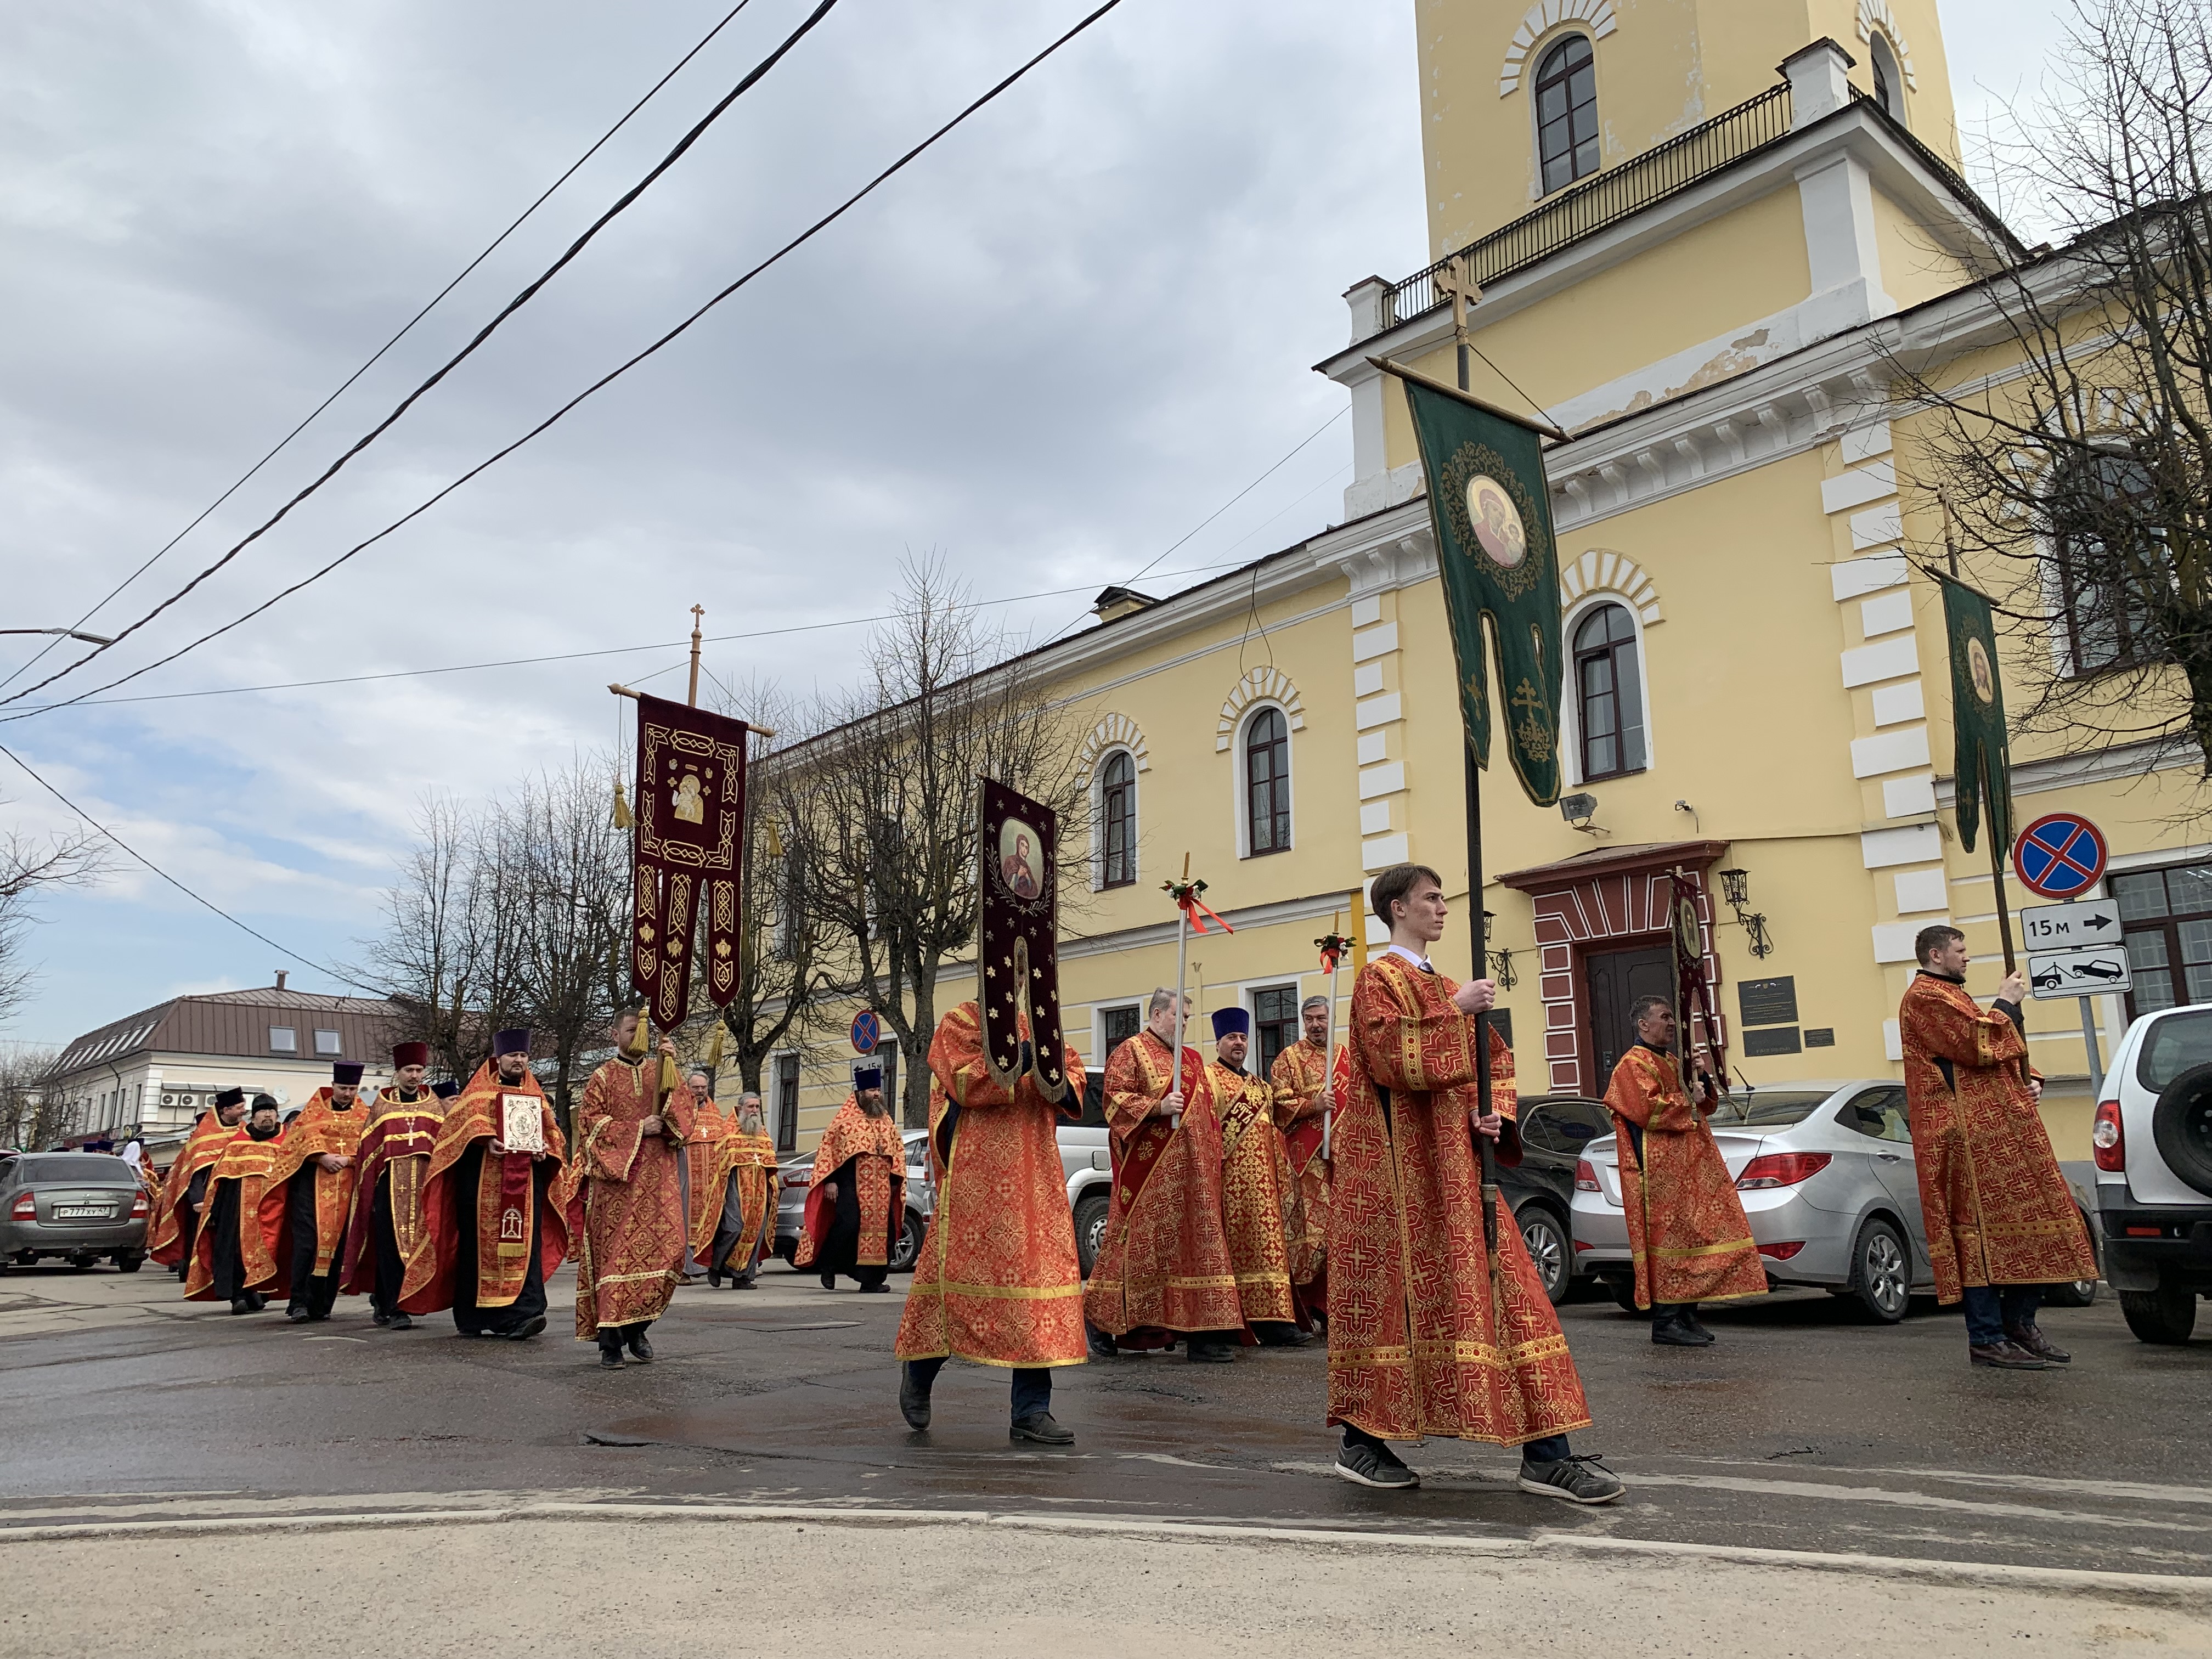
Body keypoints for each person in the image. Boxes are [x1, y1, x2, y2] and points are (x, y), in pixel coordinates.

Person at [1329, 863, 1621, 1503]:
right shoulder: (1379, 979)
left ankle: (1547, 1453)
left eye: (1441, 899)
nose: (1441, 908)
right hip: (1401, 1182)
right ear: (1398, 907)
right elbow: (1387, 1058)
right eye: (1430, 899)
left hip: (1460, 1176)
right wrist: (1452, 1014)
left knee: (1514, 1297)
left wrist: (1491, 1113)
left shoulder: (1451, 985)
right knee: (1393, 1306)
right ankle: (1360, 1440)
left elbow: (1494, 1065)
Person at [1900, 925, 2097, 1369]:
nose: (1967, 957)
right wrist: (2006, 1002)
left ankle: (2019, 1324)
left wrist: (2030, 1081)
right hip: (1963, 1140)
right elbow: (1977, 1045)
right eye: (1960, 950)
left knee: (2044, 1218)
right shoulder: (1925, 998)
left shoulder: (1956, 995)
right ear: (1936, 954)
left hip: (1999, 1134)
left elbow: (2001, 1053)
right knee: (1977, 1240)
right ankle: (1986, 1337)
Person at [895, 1002, 1088, 1442]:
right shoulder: (963, 1019)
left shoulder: (1043, 1021)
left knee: (1036, 1301)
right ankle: (919, 1375)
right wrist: (1022, 1056)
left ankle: (1031, 1411)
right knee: (956, 1292)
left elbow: (1073, 1076)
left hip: (1036, 1179)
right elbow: (963, 1081)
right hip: (977, 1185)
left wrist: (1054, 1071)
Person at [1082, 988, 1243, 1363]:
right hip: (1149, 1178)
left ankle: (1202, 1336)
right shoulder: (1130, 1051)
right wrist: (1157, 1106)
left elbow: (1206, 1115)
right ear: (1157, 1015)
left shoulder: (1190, 1058)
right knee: (1140, 1254)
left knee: (1197, 1253)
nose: (1185, 1023)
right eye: (1179, 1016)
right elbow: (1113, 1101)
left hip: (1194, 1177)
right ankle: (1105, 1323)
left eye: (1187, 1018)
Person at [1602, 995, 1767, 1346]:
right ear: (1644, 1025)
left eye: (1672, 1018)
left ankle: (1688, 1316)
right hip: (1657, 1176)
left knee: (1695, 1240)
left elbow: (1705, 1106)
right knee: (1667, 1245)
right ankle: (1665, 1323)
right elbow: (1651, 1111)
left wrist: (1703, 1078)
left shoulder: (1675, 1061)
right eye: (1664, 1017)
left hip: (1688, 1170)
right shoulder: (1631, 1065)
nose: (1672, 1024)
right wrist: (1689, 1098)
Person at [400, 1029, 567, 1340]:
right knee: (477, 1250)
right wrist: (483, 1139)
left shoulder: (535, 1093)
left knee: (523, 1247)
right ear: (499, 1058)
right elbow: (455, 1132)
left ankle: (524, 1314)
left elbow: (552, 1133)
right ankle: (472, 1316)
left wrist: (546, 1148)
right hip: (481, 1187)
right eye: (513, 1056)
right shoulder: (478, 1091)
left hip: (525, 1188)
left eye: (523, 1056)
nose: (519, 1061)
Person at [569, 1009, 695, 1368]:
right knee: (616, 1263)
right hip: (617, 1188)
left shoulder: (661, 1071)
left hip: (658, 1185)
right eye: (630, 1029)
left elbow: (686, 1119)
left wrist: (673, 1080)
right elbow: (591, 1126)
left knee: (668, 1253)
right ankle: (611, 1344)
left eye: (642, 1030)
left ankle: (639, 1326)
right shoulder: (602, 1077)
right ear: (616, 1035)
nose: (637, 1035)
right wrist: (641, 1127)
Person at [1208, 1006, 1310, 1346]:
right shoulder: (1208, 1080)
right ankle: (1241, 1319)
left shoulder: (1260, 1085)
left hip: (1265, 1183)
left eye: (1242, 1038)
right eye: (1231, 1038)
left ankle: (1273, 1318)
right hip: (1229, 1182)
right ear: (1219, 1041)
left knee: (1269, 1248)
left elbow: (1278, 1125)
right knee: (1236, 1250)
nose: (1238, 1043)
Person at [339, 1046, 445, 1331]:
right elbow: (368, 1148)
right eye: (408, 1071)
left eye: (419, 1071)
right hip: (388, 1187)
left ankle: (409, 1300)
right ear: (397, 1073)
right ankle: (393, 1307)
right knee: (389, 1248)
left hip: (423, 1187)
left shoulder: (432, 1104)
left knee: (418, 1245)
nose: (414, 1076)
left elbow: (443, 1145)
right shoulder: (383, 1103)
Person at [272, 1060, 369, 1323]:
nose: (348, 1094)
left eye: (352, 1088)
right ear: (333, 1086)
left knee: (338, 1247)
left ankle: (323, 1304)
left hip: (348, 1189)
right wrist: (320, 1158)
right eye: (343, 1088)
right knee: (308, 1246)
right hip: (310, 1190)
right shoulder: (313, 1113)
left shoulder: (364, 1115)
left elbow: (370, 1148)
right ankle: (299, 1303)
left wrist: (347, 1161)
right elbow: (292, 1148)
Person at [795, 1068, 904, 1292]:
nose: (876, 1095)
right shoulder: (844, 1120)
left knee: (885, 1233)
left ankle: (871, 1281)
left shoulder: (885, 1120)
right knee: (848, 1226)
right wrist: (831, 1181)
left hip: (881, 1188)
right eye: (872, 1090)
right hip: (850, 1184)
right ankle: (829, 1265)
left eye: (878, 1090)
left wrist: (895, 1180)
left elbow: (896, 1151)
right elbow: (831, 1151)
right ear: (861, 1092)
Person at [1268, 995, 1337, 1328]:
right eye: (1309, 1019)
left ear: (1330, 1017)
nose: (1315, 1025)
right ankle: (1310, 1305)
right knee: (1313, 1233)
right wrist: (1314, 1104)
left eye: (1321, 1018)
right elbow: (1279, 1106)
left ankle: (1340, 1303)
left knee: (1343, 1232)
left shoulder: (1345, 1057)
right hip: (1307, 1161)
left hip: (1345, 1158)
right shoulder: (1287, 1060)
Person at [184, 1096, 289, 1314]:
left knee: (271, 1250)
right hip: (237, 1210)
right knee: (235, 1252)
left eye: (272, 1111)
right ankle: (238, 1296)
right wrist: (213, 1210)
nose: (267, 1115)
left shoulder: (287, 1142)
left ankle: (258, 1292)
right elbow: (219, 1180)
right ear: (254, 1115)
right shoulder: (237, 1143)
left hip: (275, 1211)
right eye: (263, 1111)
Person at [149, 1087, 248, 1279]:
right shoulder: (204, 1137)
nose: (244, 1111)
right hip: (208, 1200)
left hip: (239, 1197)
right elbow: (194, 1173)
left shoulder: (244, 1131)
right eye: (240, 1107)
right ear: (226, 1110)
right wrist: (197, 1200)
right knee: (205, 1241)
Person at [698, 1091, 778, 1289]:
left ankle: (743, 1277)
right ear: (740, 1108)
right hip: (734, 1188)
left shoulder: (763, 1134)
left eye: (757, 1107)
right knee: (735, 1228)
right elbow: (719, 1168)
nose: (754, 1111)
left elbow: (770, 1165)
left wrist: (772, 1189)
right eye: (750, 1107)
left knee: (756, 1231)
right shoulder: (729, 1133)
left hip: (759, 1190)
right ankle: (716, 1266)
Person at [680, 1069, 727, 1283]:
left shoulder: (716, 1112)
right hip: (686, 1174)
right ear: (688, 1088)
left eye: (703, 1087)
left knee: (711, 1220)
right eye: (696, 1087)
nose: (700, 1091)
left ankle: (710, 1266)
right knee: (684, 1220)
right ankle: (683, 1269)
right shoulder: (680, 1109)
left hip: (711, 1180)